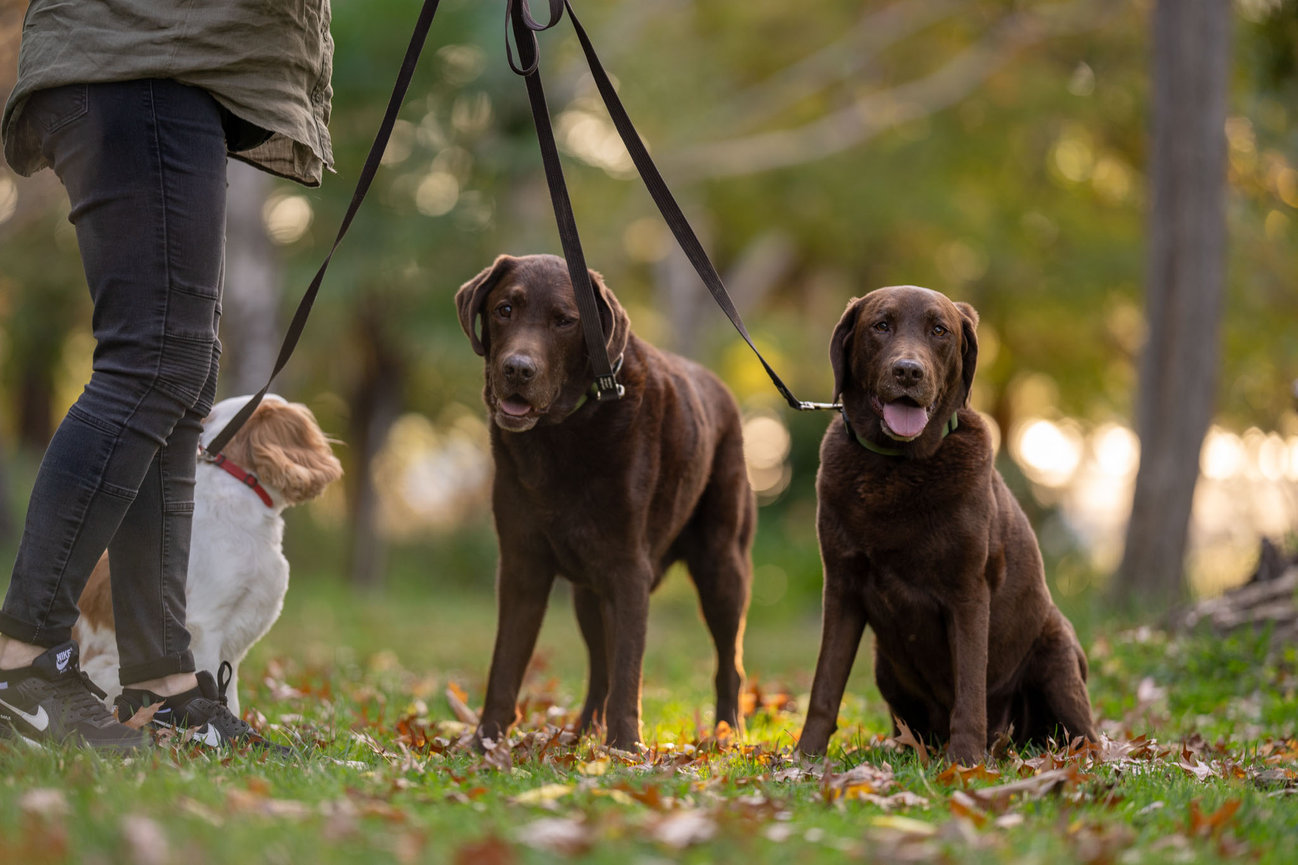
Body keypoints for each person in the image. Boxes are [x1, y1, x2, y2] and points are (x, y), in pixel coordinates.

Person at [0, 2, 334, 752]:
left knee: (182, 379)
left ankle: (163, 682)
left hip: (173, 65)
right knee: (152, 362)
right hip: (138, 52)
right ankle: (20, 662)